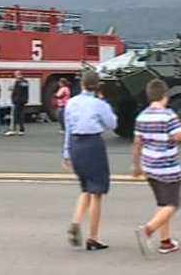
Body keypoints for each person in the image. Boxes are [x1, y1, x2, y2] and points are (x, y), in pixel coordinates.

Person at [132, 78, 181, 256]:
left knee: (162, 204)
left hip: (149, 166)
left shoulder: (142, 116)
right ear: (164, 95)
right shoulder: (168, 115)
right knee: (172, 203)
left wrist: (137, 166)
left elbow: (137, 143)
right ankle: (148, 229)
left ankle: (166, 241)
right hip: (167, 167)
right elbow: (177, 136)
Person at [63, 71, 118, 250]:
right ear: (98, 86)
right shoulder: (98, 104)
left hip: (75, 144)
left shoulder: (71, 103)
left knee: (86, 188)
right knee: (97, 192)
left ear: (82, 85)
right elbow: (112, 124)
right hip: (92, 143)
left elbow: (68, 129)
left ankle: (76, 221)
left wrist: (66, 152)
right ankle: (93, 236)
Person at [6, 70, 29, 136]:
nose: (14, 75)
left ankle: (13, 129)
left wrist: (13, 99)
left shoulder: (17, 82)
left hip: (17, 101)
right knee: (21, 115)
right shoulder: (26, 82)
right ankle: (21, 129)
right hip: (23, 100)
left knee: (14, 115)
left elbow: (15, 91)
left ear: (18, 74)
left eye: (15, 74)